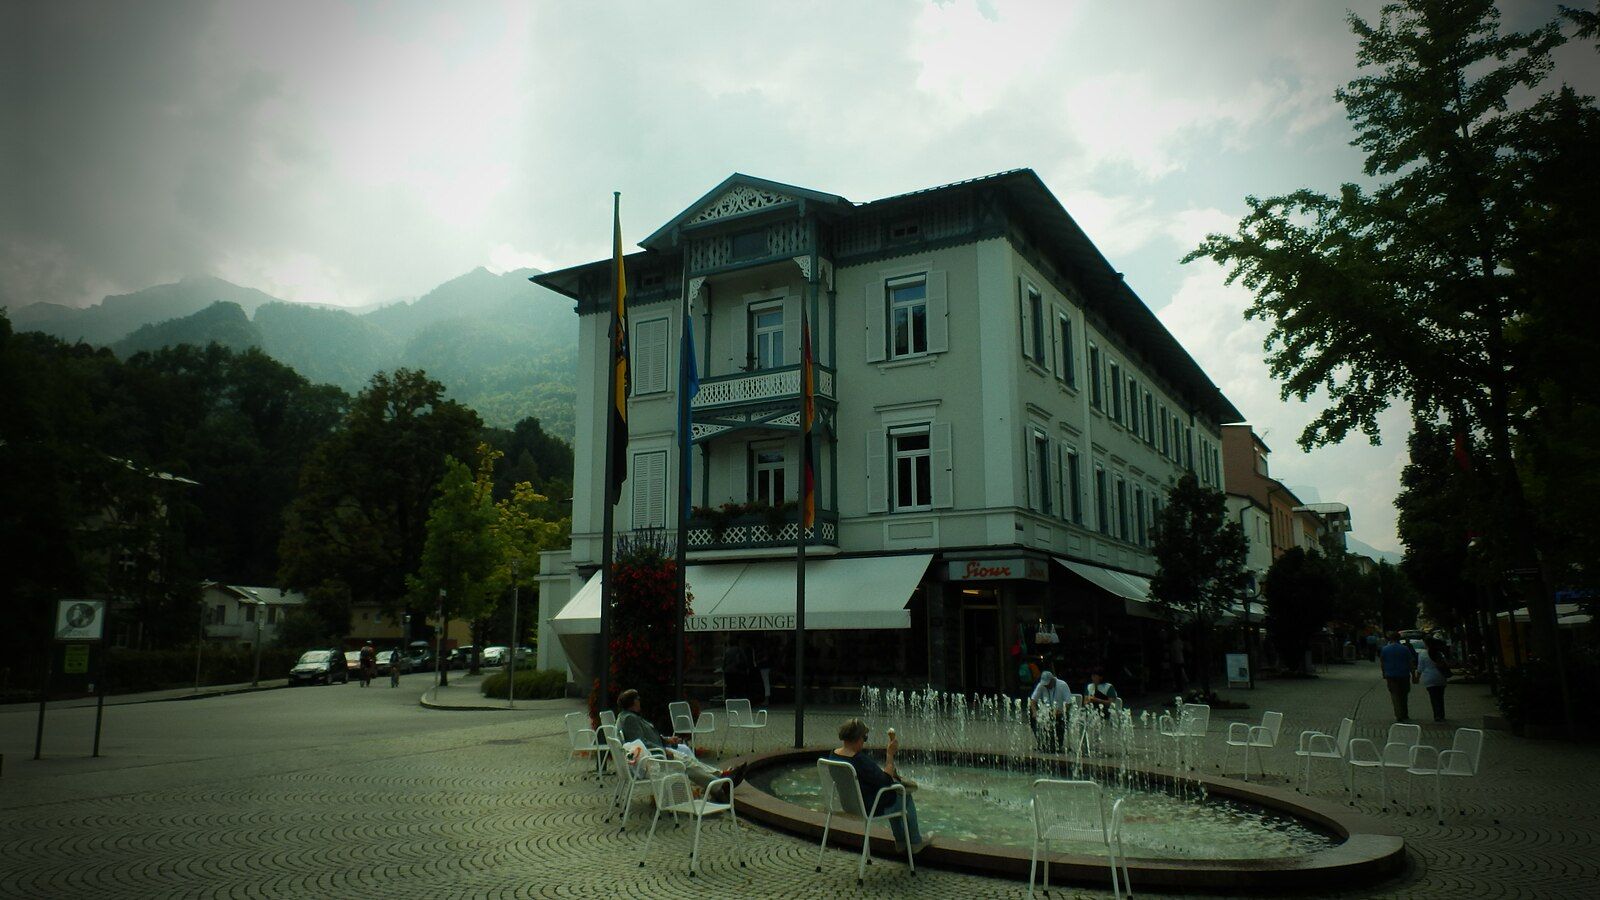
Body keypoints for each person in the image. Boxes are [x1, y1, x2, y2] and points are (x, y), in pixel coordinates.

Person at [825, 718, 934, 854]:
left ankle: (901, 841)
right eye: (865, 738)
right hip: (868, 808)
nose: (864, 742)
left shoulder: (833, 755)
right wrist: (890, 755)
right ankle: (915, 842)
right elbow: (885, 781)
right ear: (859, 738)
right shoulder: (859, 760)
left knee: (893, 794)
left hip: (847, 805)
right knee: (903, 795)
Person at [615, 689, 745, 801]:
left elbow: (645, 739)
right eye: (637, 699)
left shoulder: (628, 716)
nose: (639, 701)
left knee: (688, 760)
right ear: (632, 702)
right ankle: (719, 785)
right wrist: (663, 750)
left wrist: (666, 740)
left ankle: (722, 775)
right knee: (686, 765)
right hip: (653, 759)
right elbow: (638, 744)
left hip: (655, 754)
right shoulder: (629, 719)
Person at [1029, 670, 1073, 752]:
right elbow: (1033, 701)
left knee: (1059, 718)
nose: (1046, 686)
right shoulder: (1041, 685)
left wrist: (1061, 711)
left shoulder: (1062, 685)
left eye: (1048, 684)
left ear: (1053, 680)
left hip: (1059, 712)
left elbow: (1069, 703)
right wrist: (1034, 712)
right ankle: (1041, 741)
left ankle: (1057, 743)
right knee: (1033, 716)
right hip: (1047, 711)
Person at [1379, 632, 1418, 722]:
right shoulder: (1405, 649)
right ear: (1399, 639)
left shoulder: (1385, 649)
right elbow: (1410, 663)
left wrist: (1384, 673)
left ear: (1390, 639)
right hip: (1404, 674)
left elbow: (1382, 662)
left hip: (1391, 675)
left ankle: (1398, 714)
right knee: (1404, 695)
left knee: (1394, 694)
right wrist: (1414, 676)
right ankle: (1405, 714)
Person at [1419, 638, 1452, 723]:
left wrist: (1416, 677)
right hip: (1441, 677)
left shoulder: (1422, 654)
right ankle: (1442, 714)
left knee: (1434, 698)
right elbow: (1446, 663)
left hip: (1429, 678)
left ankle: (1437, 715)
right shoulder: (1439, 653)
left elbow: (1420, 668)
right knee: (1440, 697)